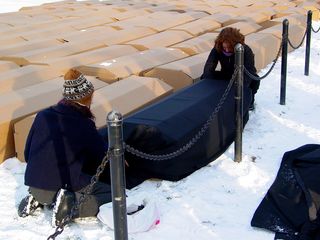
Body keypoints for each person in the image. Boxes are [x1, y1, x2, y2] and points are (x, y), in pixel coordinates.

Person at [18, 69, 112, 227]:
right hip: (60, 187)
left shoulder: (42, 115)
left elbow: (28, 154)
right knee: (112, 193)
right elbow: (100, 158)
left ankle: (37, 199)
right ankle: (69, 208)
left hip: (34, 183)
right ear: (88, 98)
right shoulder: (84, 124)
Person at [201, 27, 260, 110]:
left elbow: (250, 71)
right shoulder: (218, 48)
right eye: (224, 48)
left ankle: (250, 100)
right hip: (226, 74)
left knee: (255, 79)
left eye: (230, 48)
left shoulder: (246, 50)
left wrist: (238, 90)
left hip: (240, 76)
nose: (227, 50)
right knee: (205, 75)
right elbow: (209, 65)